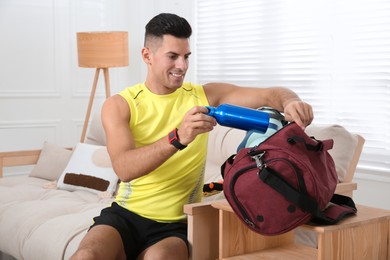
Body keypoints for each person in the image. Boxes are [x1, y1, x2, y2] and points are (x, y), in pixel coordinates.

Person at [71, 13, 313, 260]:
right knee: (86, 256)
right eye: (172, 57)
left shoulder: (204, 95)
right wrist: (177, 137)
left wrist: (291, 101)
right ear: (147, 56)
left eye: (186, 57)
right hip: (125, 215)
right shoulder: (120, 105)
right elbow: (124, 168)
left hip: (175, 224)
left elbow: (271, 95)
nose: (182, 66)